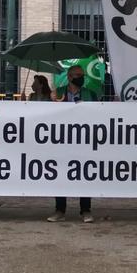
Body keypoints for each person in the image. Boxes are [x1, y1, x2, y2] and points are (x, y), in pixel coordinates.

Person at [48, 65, 95, 222]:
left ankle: (85, 210)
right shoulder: (58, 93)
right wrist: (51, 102)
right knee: (60, 174)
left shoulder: (90, 94)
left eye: (82, 75)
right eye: (77, 75)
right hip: (62, 140)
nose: (80, 77)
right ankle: (60, 209)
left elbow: (98, 113)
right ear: (69, 76)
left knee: (85, 174)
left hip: (84, 141)